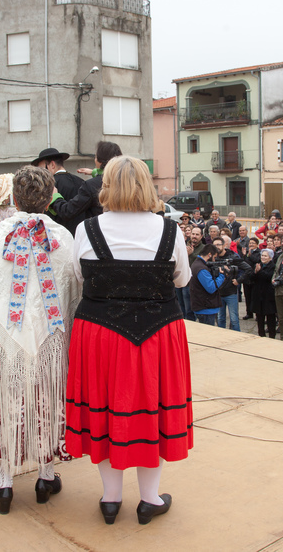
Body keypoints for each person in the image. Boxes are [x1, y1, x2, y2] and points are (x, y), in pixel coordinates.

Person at [65, 156, 191, 526]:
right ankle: (149, 499)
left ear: (106, 185)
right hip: (158, 328)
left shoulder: (87, 229)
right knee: (155, 407)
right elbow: (182, 279)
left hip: (101, 330)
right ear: (147, 186)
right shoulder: (169, 230)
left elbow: (78, 274)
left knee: (104, 407)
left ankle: (111, 498)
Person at [0, 166, 80, 512]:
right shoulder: (62, 235)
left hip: (4, 334)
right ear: (50, 197)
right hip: (49, 332)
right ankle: (45, 475)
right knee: (45, 397)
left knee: (3, 399)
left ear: (14, 197)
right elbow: (71, 284)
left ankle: (5, 482)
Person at [51, 141, 121, 228]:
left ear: (100, 161)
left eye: (95, 157)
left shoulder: (90, 186)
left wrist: (55, 197)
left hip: (100, 234)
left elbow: (68, 212)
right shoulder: (127, 181)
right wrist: (95, 172)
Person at [213, 237, 247, 332]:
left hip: (231, 293)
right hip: (219, 293)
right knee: (220, 319)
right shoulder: (213, 258)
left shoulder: (233, 256)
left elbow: (248, 269)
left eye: (218, 245)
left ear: (224, 245)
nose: (216, 247)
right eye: (214, 245)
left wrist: (238, 280)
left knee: (234, 320)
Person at [190, 245, 225, 324]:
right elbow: (211, 288)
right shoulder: (201, 269)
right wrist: (222, 276)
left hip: (204, 307)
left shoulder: (197, 264)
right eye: (214, 257)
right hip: (205, 309)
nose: (215, 260)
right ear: (209, 255)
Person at [248, 248, 278, 338]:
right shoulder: (258, 265)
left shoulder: (273, 266)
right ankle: (261, 335)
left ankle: (272, 336)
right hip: (258, 295)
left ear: (270, 257)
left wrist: (259, 272)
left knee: (270, 319)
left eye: (265, 256)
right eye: (262, 255)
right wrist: (255, 272)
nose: (263, 257)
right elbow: (251, 278)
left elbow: (268, 277)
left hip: (268, 296)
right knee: (259, 319)